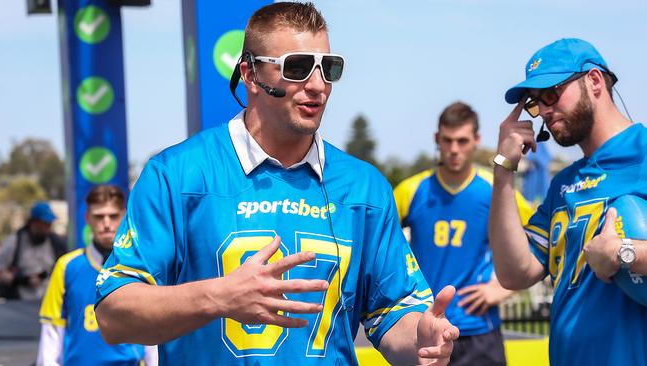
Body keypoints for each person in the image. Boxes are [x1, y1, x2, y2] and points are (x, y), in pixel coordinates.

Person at [94, 2, 459, 365]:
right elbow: (113, 315)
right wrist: (217, 297)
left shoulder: (365, 188)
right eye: (297, 67)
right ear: (251, 75)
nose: (317, 85)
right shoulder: (176, 174)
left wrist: (423, 341)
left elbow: (393, 314)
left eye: (328, 68)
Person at [490, 37, 647, 366]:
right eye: (535, 102)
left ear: (593, 80)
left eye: (551, 93)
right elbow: (515, 274)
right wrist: (503, 170)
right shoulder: (563, 183)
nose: (544, 110)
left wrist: (624, 253)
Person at [394, 102, 533, 366]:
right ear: (437, 139)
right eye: (447, 141)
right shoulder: (410, 191)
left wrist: (503, 287)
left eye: (462, 141)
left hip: (479, 331)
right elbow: (380, 249)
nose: (454, 149)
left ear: (476, 141)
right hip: (426, 330)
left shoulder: (496, 189)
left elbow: (544, 239)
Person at [36, 185, 157, 365]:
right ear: (87, 218)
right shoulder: (67, 266)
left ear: (124, 216)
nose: (106, 223)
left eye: (113, 216)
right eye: (99, 216)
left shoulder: (142, 266)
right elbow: (51, 332)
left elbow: (153, 333)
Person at [0, 202, 66, 300]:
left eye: (49, 223)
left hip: (47, 302)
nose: (48, 226)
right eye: (45, 223)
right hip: (19, 303)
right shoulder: (15, 242)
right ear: (34, 222)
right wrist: (23, 280)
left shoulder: (55, 243)